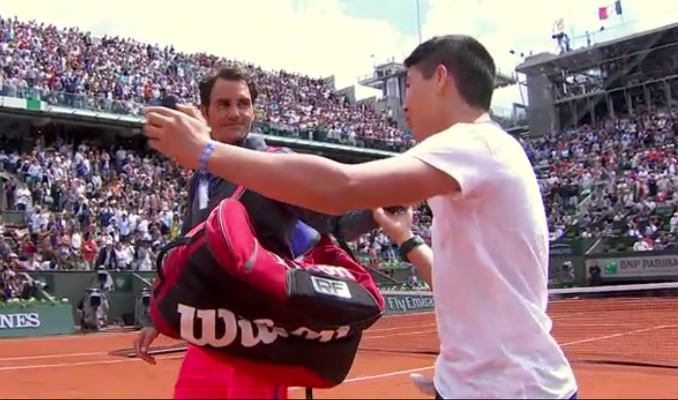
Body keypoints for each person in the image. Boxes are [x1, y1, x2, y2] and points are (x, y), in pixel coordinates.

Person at [143, 34, 578, 399]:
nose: (403, 105)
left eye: (408, 86)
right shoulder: (471, 159)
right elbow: (456, 280)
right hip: (476, 386)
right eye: (223, 104)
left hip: (512, 389)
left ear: (441, 78)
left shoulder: (475, 145)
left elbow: (340, 193)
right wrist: (407, 242)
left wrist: (205, 151)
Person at [134, 67, 379, 399]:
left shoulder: (274, 164)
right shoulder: (200, 178)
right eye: (223, 104)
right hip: (210, 336)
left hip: (259, 340)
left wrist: (379, 209)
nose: (235, 113)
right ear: (205, 112)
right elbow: (186, 251)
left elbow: (335, 218)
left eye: (243, 103)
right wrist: (155, 318)